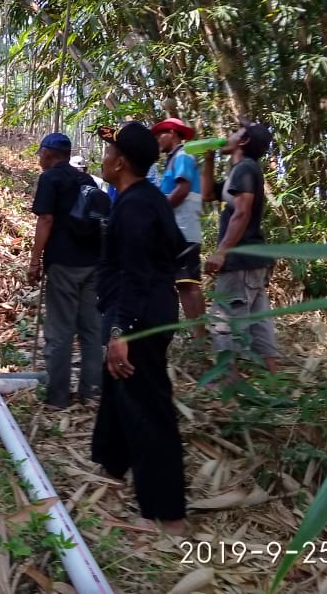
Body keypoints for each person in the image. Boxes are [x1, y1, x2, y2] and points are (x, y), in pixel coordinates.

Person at [91, 121, 187, 534]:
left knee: (149, 408)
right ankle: (112, 466)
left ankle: (168, 513)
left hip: (140, 319)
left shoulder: (134, 207)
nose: (105, 156)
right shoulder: (146, 199)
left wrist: (122, 333)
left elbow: (137, 272)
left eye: (109, 151)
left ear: (121, 163)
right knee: (117, 388)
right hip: (148, 311)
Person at [28, 132, 101, 409]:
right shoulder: (85, 179)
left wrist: (35, 260)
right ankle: (91, 392)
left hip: (64, 264)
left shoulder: (50, 178)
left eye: (40, 153)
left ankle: (57, 397)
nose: (39, 158)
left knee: (60, 330)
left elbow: (46, 218)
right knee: (90, 329)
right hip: (92, 263)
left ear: (48, 153)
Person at [201, 119, 278, 374]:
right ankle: (272, 383)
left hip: (241, 260)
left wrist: (222, 251)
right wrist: (209, 159)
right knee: (259, 324)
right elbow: (208, 194)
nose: (229, 135)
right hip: (253, 260)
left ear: (243, 142)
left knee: (225, 322)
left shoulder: (245, 169)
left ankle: (229, 387)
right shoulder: (241, 171)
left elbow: (242, 213)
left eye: (235, 132)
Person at [151, 118, 207, 343]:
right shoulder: (174, 159)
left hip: (184, 232)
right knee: (183, 285)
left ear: (172, 133)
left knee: (189, 284)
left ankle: (200, 336)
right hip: (178, 233)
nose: (157, 140)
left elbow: (182, 189)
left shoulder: (183, 156)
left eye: (160, 135)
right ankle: (196, 335)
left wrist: (160, 213)